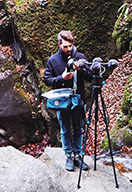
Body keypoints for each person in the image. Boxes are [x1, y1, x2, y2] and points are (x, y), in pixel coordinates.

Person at [44, 30, 92, 171]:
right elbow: (47, 80)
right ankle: (69, 156)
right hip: (62, 100)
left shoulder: (80, 57)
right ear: (59, 44)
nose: (68, 49)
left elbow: (90, 77)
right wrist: (62, 78)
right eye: (65, 46)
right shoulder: (53, 61)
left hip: (78, 99)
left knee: (78, 128)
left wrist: (81, 70)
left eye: (70, 46)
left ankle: (78, 155)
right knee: (65, 129)